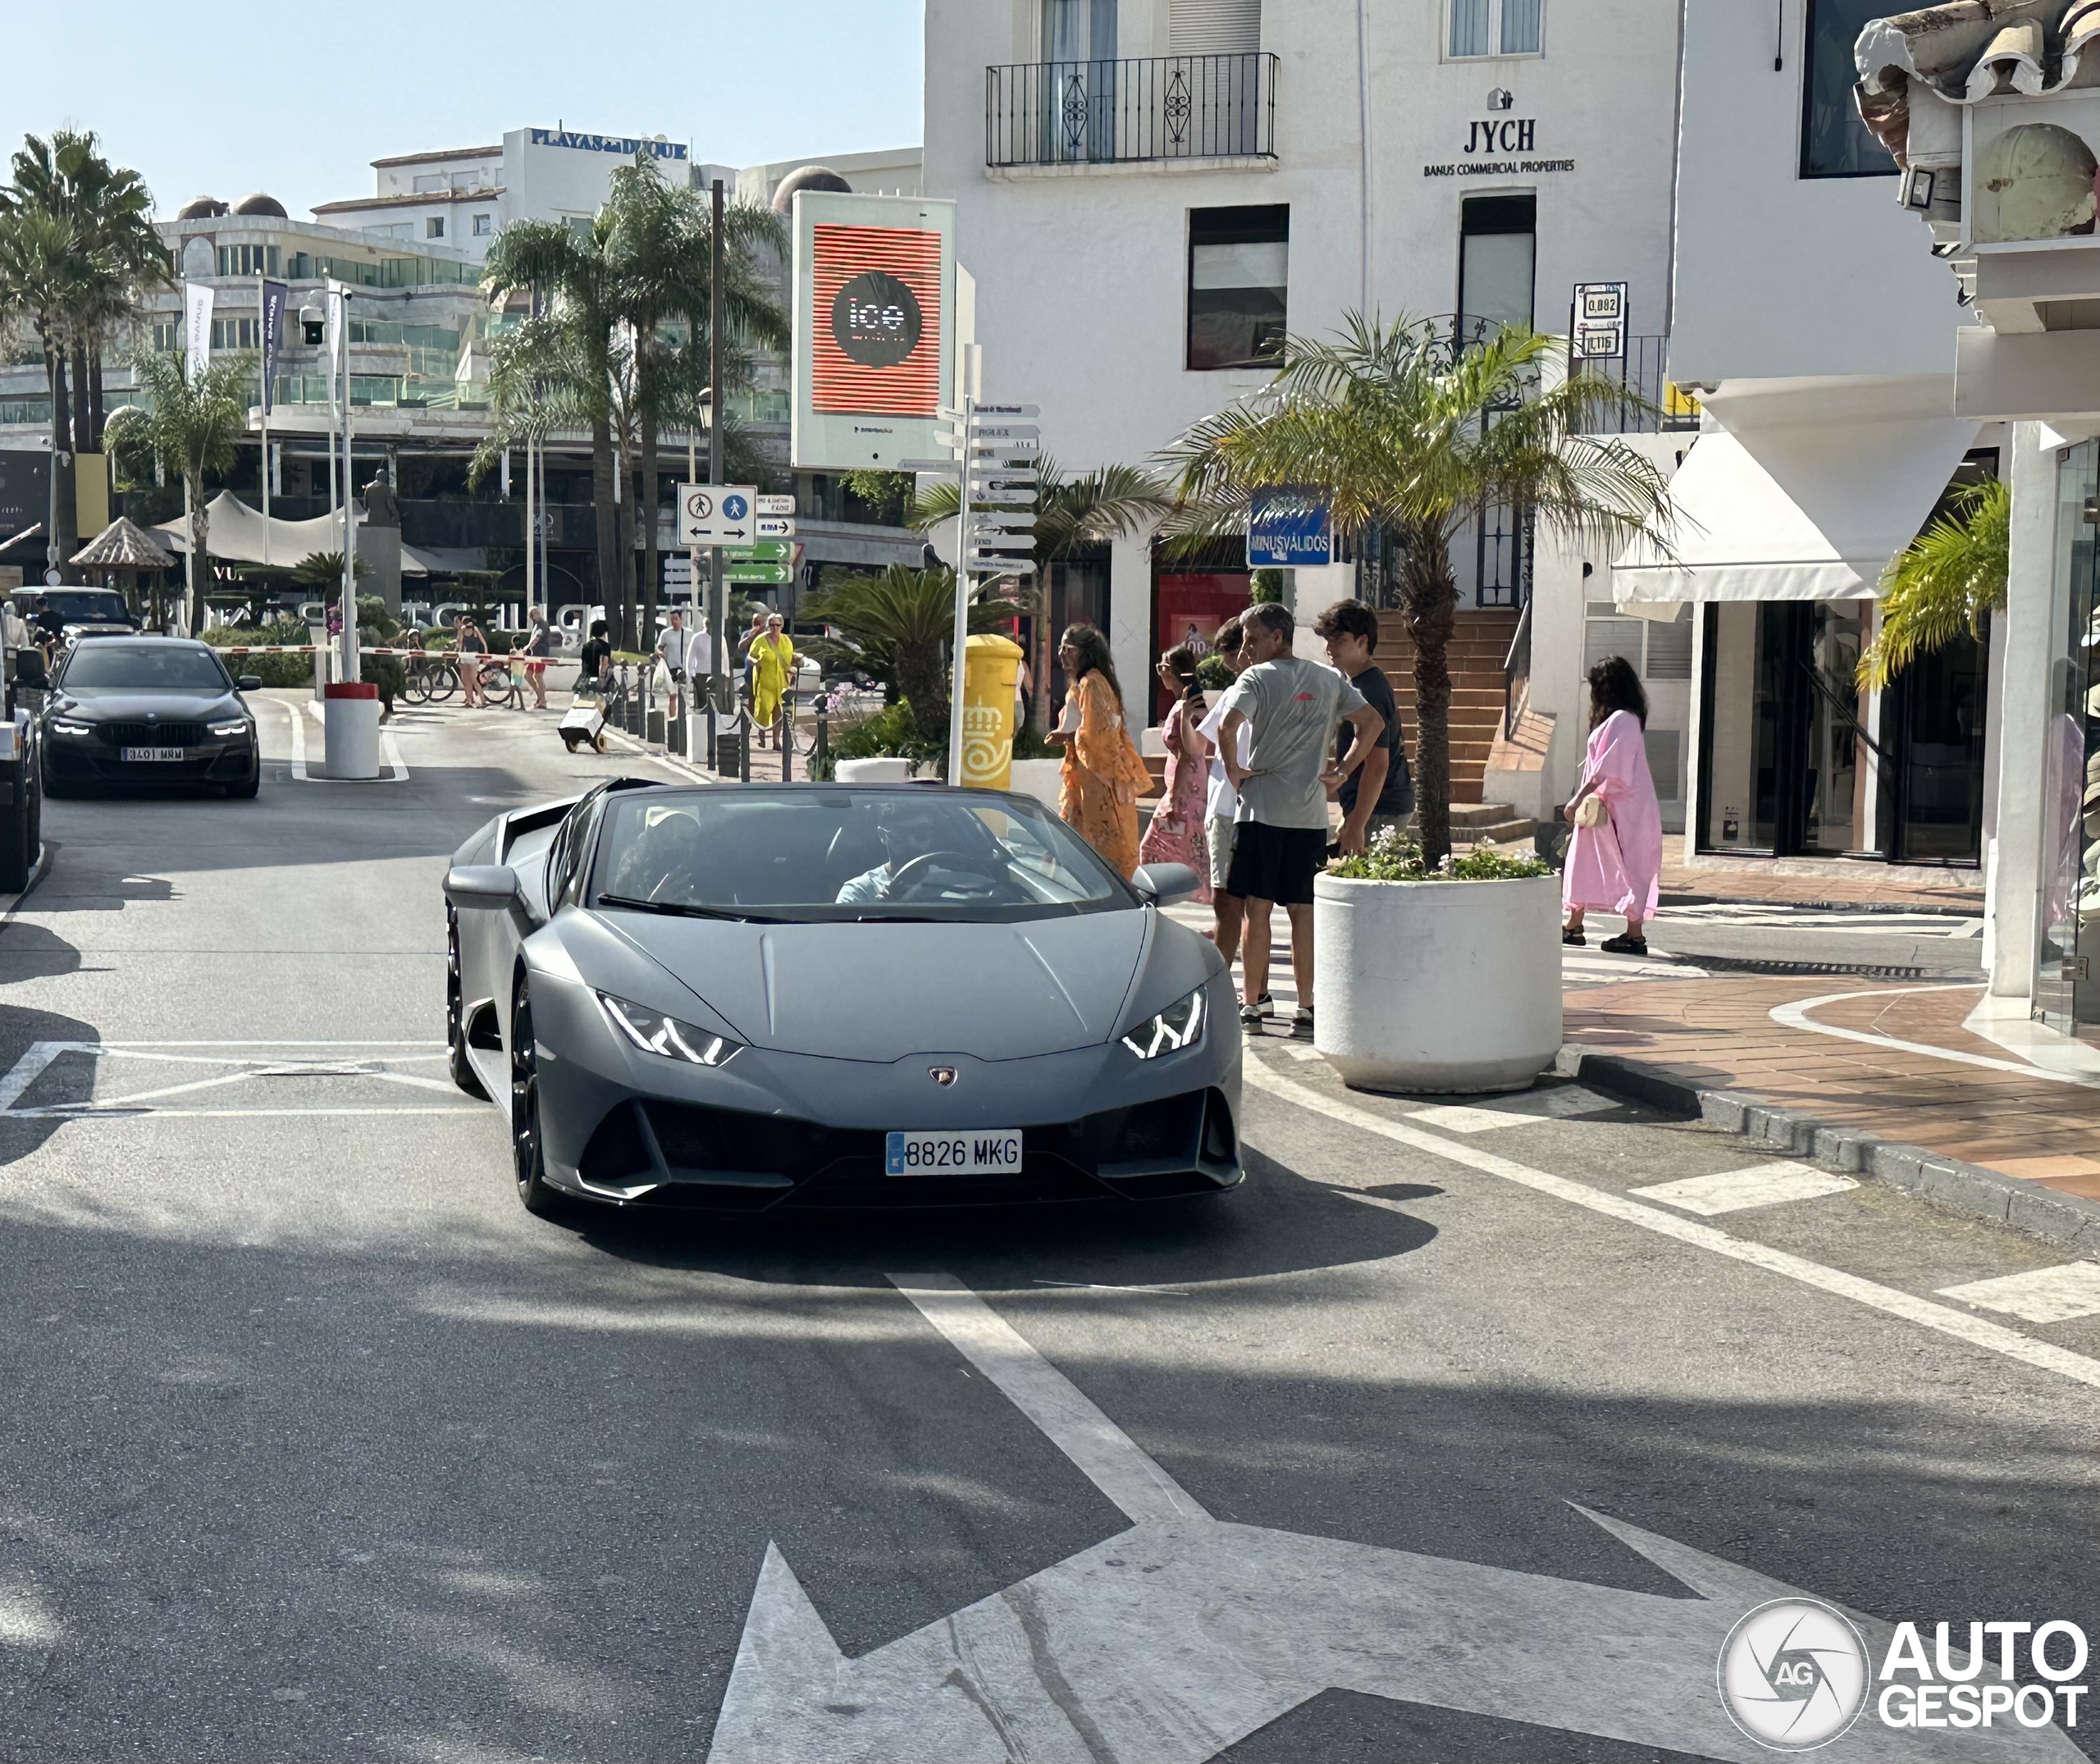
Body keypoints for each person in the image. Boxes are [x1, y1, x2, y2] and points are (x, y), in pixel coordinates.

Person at [1216, 601, 1385, 1033]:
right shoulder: (1327, 679)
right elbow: (1372, 723)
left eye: (1253, 638)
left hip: (1261, 809)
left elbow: (1227, 726)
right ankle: (1306, 1007)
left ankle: (1252, 1004)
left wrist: (1235, 771)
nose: (1247, 648)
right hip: (1310, 815)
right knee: (1303, 911)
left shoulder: (1255, 677)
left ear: (1278, 637)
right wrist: (1343, 769)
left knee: (1258, 909)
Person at [1563, 656, 1663, 955]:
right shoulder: (1626, 719)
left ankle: (1627, 932)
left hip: (1621, 808)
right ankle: (1577, 924)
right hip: (1616, 806)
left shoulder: (1622, 719)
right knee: (1592, 859)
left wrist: (1577, 799)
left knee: (1627, 863)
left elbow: (1607, 769)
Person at [1049, 622, 1150, 879]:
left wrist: (1069, 736)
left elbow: (1098, 736)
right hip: (1088, 779)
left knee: (1104, 848)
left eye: (1068, 649)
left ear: (1086, 652)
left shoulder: (1093, 683)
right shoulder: (1085, 684)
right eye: (1060, 649)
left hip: (1100, 780)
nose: (1061, 655)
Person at [1313, 600, 1414, 854]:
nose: (1330, 648)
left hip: (1381, 811)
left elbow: (1378, 765)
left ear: (1362, 641)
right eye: (1329, 640)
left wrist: (1358, 824)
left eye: (1338, 640)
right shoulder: (1360, 684)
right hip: (1374, 809)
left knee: (1370, 891)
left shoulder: (1369, 690)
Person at [1194, 615, 1254, 970]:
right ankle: (1255, 990)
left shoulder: (1237, 692)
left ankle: (1222, 981)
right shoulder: (1268, 691)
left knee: (1228, 903)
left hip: (1230, 805)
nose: (1230, 664)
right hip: (1248, 806)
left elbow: (1202, 743)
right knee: (1250, 907)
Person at [1136, 645, 1212, 903]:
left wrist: (1174, 796)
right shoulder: (1187, 706)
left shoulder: (1187, 709)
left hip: (1185, 786)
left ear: (1174, 672)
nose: (1160, 674)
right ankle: (1194, 892)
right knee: (1189, 841)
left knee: (1153, 844)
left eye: (1162, 668)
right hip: (1188, 784)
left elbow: (1189, 753)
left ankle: (1162, 893)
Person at [748, 613, 795, 750]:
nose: (775, 628)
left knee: (779, 712)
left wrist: (795, 665)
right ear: (768, 626)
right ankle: (761, 735)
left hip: (782, 683)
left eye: (778, 625)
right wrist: (755, 662)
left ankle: (776, 741)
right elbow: (750, 656)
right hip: (765, 681)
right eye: (772, 625)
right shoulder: (761, 640)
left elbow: (789, 658)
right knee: (764, 709)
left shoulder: (786, 641)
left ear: (782, 626)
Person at [521, 606, 551, 710]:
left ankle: (542, 701)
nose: (537, 614)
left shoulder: (543, 624)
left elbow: (537, 638)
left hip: (541, 654)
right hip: (534, 655)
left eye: (538, 612)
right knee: (527, 675)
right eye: (534, 613)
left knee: (538, 676)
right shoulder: (536, 625)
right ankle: (540, 697)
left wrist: (527, 647)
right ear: (532, 617)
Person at [457, 615, 488, 709]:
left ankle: (483, 700)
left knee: (472, 679)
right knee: (466, 679)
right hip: (465, 655)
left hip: (472, 656)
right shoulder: (463, 630)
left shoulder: (475, 630)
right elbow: (460, 643)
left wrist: (486, 655)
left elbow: (483, 643)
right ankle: (469, 700)